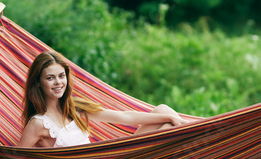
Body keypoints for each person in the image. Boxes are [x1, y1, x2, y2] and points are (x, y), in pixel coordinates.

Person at [17, 50, 187, 148]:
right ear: (38, 83)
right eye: (50, 78)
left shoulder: (74, 109)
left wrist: (171, 117)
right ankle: (205, 139)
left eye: (62, 76)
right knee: (167, 127)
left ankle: (206, 133)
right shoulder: (38, 124)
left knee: (164, 111)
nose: (58, 82)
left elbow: (124, 117)